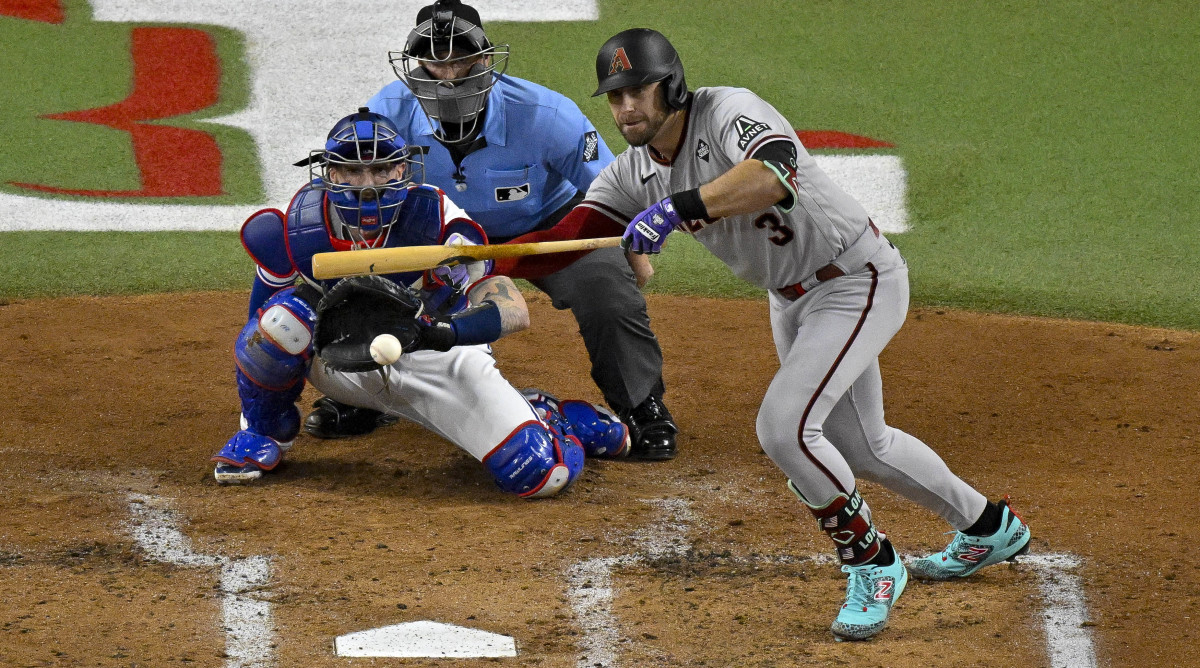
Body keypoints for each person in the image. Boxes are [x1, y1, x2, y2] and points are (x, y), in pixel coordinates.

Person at [566, 28, 1033, 640]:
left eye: (638, 91)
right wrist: (482, 258)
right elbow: (573, 231)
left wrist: (679, 208)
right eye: (615, 96)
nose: (626, 108)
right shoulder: (631, 172)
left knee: (784, 428)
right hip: (790, 302)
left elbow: (774, 172)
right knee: (864, 446)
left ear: (670, 84)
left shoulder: (729, 111)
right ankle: (988, 526)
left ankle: (872, 561)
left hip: (855, 279)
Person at [299, 0, 679, 461]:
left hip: (545, 230)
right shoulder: (387, 113)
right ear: (416, 65)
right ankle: (365, 395)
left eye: (462, 58)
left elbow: (610, 189)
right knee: (373, 277)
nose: (449, 73)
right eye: (435, 61)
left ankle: (640, 405)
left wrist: (633, 258)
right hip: (438, 239)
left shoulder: (545, 114)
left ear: (486, 60)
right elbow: (353, 193)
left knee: (606, 287)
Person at [208, 108, 631, 498]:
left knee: (541, 474)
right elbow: (257, 330)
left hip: (437, 357)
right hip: (342, 362)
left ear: (401, 169)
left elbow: (513, 309)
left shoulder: (438, 221)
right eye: (352, 170)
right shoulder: (293, 227)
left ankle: (550, 416)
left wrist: (441, 331)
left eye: (380, 168)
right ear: (330, 171)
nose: (367, 183)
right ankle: (265, 433)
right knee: (282, 322)